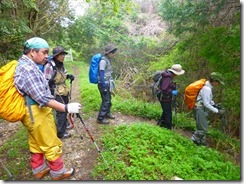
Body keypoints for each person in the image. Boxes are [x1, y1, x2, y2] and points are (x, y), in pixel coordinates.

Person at [14, 37, 81, 180]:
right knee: (51, 141)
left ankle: (38, 169)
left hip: (32, 111)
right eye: (44, 52)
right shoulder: (28, 69)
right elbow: (42, 97)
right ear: (32, 52)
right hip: (36, 112)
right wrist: (66, 107)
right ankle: (58, 173)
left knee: (36, 142)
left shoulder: (29, 65)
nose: (46, 56)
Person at [44, 46, 75, 139]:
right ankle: (61, 132)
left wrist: (68, 76)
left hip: (63, 90)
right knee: (61, 111)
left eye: (63, 54)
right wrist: (50, 82)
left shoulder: (61, 65)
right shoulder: (49, 66)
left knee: (65, 108)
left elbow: (63, 74)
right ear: (56, 56)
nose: (63, 56)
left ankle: (64, 126)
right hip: (55, 91)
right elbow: (45, 81)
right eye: (61, 55)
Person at [190, 72, 225, 146]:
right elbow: (206, 103)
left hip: (201, 108)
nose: (218, 84)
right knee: (202, 128)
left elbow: (208, 100)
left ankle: (200, 142)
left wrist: (214, 104)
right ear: (214, 81)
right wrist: (217, 111)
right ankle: (193, 141)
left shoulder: (207, 87)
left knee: (203, 126)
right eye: (218, 82)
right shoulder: (207, 89)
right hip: (200, 108)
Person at [157, 64, 185, 130]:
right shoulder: (167, 77)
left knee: (165, 112)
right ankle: (167, 129)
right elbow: (164, 89)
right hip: (164, 98)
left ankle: (160, 125)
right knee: (168, 114)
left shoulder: (168, 76)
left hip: (166, 98)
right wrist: (172, 92)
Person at [97, 44, 117, 124]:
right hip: (103, 84)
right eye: (113, 52)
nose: (114, 54)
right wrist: (104, 85)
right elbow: (101, 72)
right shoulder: (103, 61)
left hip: (107, 83)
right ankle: (100, 118)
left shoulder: (107, 59)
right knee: (106, 100)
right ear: (109, 53)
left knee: (108, 99)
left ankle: (107, 113)